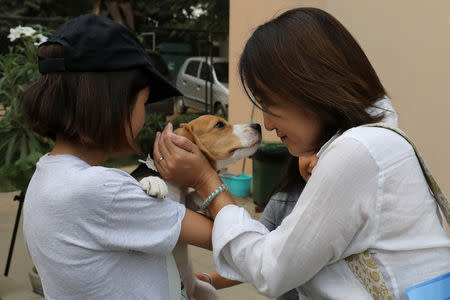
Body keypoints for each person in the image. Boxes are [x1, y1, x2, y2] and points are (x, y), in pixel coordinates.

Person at [153, 7, 450, 300]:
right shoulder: (378, 143)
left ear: (308, 86)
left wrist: (207, 182)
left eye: (269, 103)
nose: (267, 123)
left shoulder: (356, 153)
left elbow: (270, 269)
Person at [21, 14, 213, 300]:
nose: (145, 114)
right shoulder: (101, 190)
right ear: (115, 102)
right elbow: (229, 239)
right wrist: (204, 176)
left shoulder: (45, 178)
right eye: (144, 102)